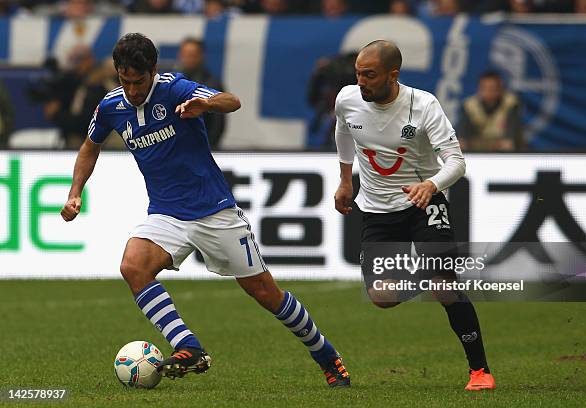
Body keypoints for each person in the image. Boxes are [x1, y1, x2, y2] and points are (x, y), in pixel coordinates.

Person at [60, 33, 350, 387]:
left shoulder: (175, 88)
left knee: (265, 293)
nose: (132, 90)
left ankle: (324, 353)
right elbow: (90, 146)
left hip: (214, 211)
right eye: (125, 81)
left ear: (153, 70)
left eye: (138, 81)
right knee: (133, 266)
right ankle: (188, 346)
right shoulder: (111, 106)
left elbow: (232, 101)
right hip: (166, 213)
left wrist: (206, 105)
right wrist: (76, 191)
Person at [333, 40, 495, 390]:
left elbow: (457, 163)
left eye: (370, 75)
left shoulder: (423, 105)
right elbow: (343, 130)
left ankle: (480, 371)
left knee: (444, 287)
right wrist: (346, 182)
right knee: (381, 297)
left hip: (424, 204)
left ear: (394, 75)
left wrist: (431, 185)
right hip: (377, 210)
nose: (361, 82)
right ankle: (427, 273)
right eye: (358, 73)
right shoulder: (347, 99)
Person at [176, 38, 225, 149]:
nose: (188, 59)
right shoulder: (173, 83)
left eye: (192, 55)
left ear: (201, 56)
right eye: (185, 54)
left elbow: (218, 123)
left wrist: (210, 147)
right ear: (180, 55)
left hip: (203, 148)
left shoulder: (211, 84)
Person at [457, 70, 524, 151]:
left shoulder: (510, 104)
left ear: (500, 89)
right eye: (484, 88)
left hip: (502, 153)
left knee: (508, 145)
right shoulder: (470, 106)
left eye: (492, 88)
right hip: (476, 152)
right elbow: (462, 138)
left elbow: (510, 140)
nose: (487, 92)